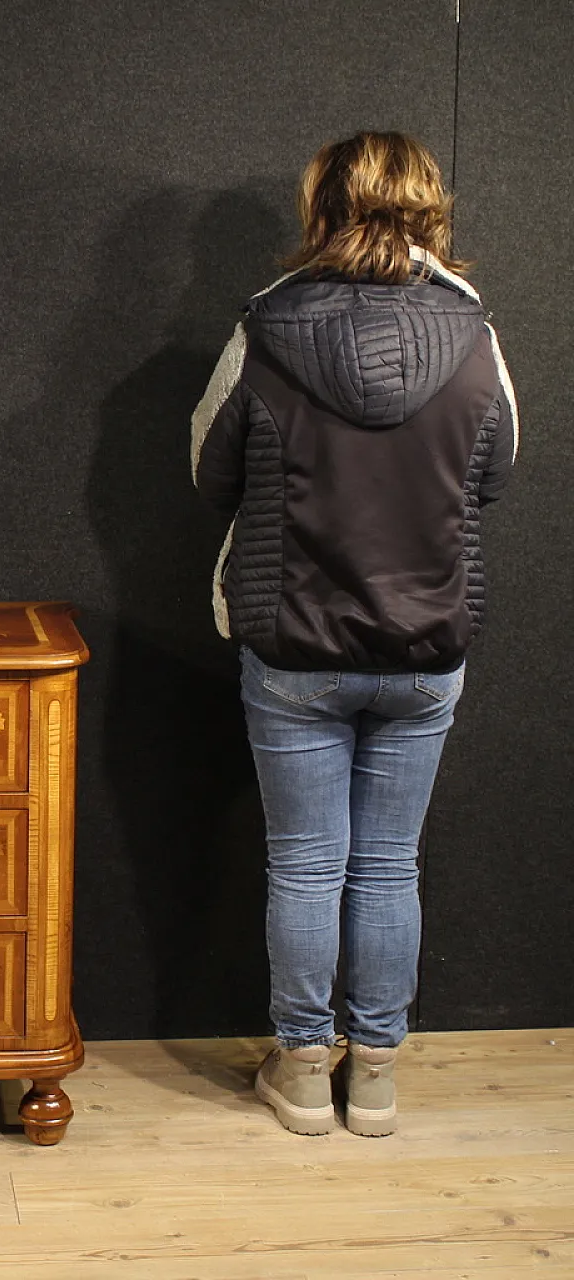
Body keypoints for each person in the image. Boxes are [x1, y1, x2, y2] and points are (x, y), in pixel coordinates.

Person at [190, 132, 517, 1136]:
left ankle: (297, 1071)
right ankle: (370, 1075)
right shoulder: (473, 337)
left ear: (320, 206)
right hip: (425, 645)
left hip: (292, 644)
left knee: (302, 860)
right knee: (386, 862)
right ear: (427, 207)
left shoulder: (265, 327)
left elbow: (209, 470)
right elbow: (495, 468)